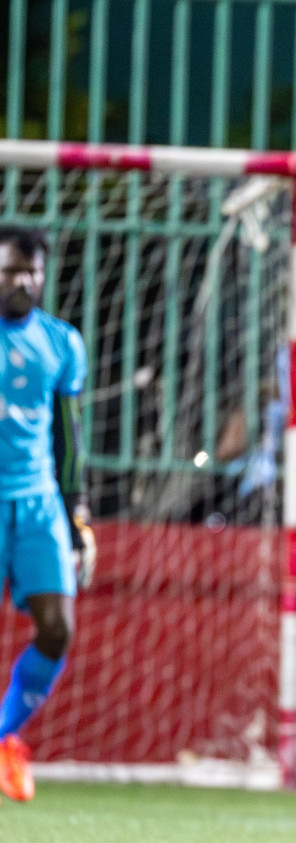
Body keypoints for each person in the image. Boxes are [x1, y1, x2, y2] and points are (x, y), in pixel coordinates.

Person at [0, 228, 94, 804]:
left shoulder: (62, 342)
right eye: (11, 270)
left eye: (31, 272)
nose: (23, 282)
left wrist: (78, 513)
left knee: (57, 630)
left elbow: (70, 436)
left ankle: (6, 738)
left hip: (38, 502)